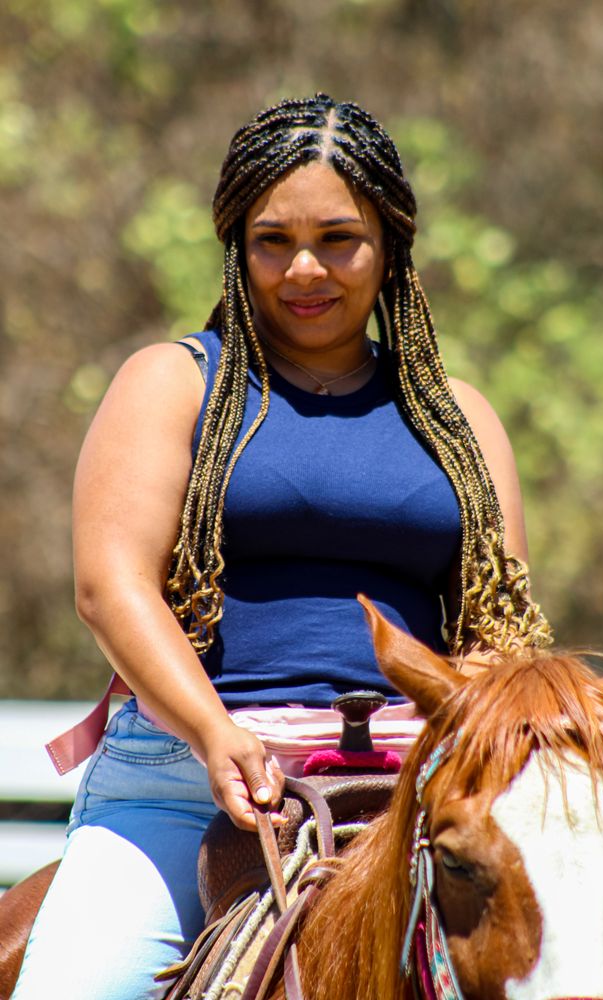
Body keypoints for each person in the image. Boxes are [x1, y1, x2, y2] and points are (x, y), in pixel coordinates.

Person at [12, 93, 551, 999]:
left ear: (390, 245)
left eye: (339, 238)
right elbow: (111, 587)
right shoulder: (172, 383)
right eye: (273, 240)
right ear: (237, 248)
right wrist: (216, 733)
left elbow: (502, 632)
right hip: (187, 784)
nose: (305, 268)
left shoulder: (461, 419)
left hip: (423, 797)